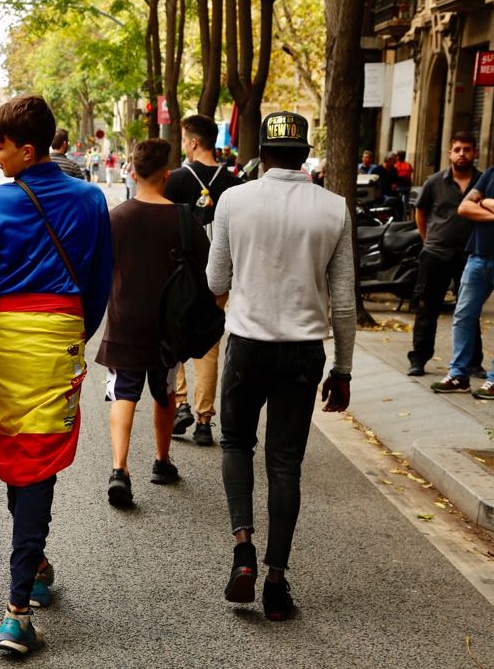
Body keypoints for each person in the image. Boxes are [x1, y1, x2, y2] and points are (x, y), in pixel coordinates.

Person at [0, 95, 112, 655]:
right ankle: (18, 607)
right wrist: (73, 330)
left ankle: (28, 580)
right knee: (40, 458)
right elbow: (99, 285)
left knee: (18, 450)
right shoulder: (89, 199)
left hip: (5, 340)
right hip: (58, 339)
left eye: (0, 145)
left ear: (27, 151)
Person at [207, 112, 354, 622]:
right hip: (304, 351)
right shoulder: (334, 208)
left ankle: (243, 549)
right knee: (285, 463)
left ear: (263, 154)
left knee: (235, 443)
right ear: (306, 152)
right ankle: (275, 581)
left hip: (248, 343)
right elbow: (345, 302)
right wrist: (344, 371)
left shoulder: (233, 200)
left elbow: (213, 278)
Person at [97, 138, 210, 506]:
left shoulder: (115, 218)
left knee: (123, 391)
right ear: (166, 174)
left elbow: (98, 269)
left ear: (131, 170)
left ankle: (119, 468)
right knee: (164, 391)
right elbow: (205, 270)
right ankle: (162, 461)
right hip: (168, 325)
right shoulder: (184, 218)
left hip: (125, 320)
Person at [165, 114, 242, 446]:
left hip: (181, 274)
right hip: (219, 275)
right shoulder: (236, 184)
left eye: (184, 140)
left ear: (194, 142)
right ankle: (203, 421)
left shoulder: (177, 179)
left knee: (174, 338)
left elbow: (165, 225)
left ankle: (180, 403)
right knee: (209, 346)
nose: (183, 146)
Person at [408, 132, 484, 377]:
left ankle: (473, 362)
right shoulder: (434, 181)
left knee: (470, 310)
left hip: (471, 255)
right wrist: (427, 241)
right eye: (458, 149)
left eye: (467, 149)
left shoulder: (484, 182)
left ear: (475, 153)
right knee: (427, 308)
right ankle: (418, 359)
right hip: (436, 254)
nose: (462, 153)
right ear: (450, 153)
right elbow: (420, 211)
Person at [431, 161, 494, 399]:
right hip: (478, 256)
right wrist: (487, 204)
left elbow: (475, 203)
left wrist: (484, 202)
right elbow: (465, 207)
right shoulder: (491, 173)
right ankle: (458, 375)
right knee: (463, 316)